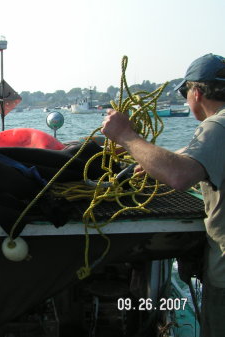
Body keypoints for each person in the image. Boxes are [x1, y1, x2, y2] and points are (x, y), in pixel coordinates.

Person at [101, 53, 225, 337]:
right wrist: (148, 160)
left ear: (196, 92)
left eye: (185, 92)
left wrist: (126, 136)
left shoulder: (217, 125)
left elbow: (180, 175)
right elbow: (198, 158)